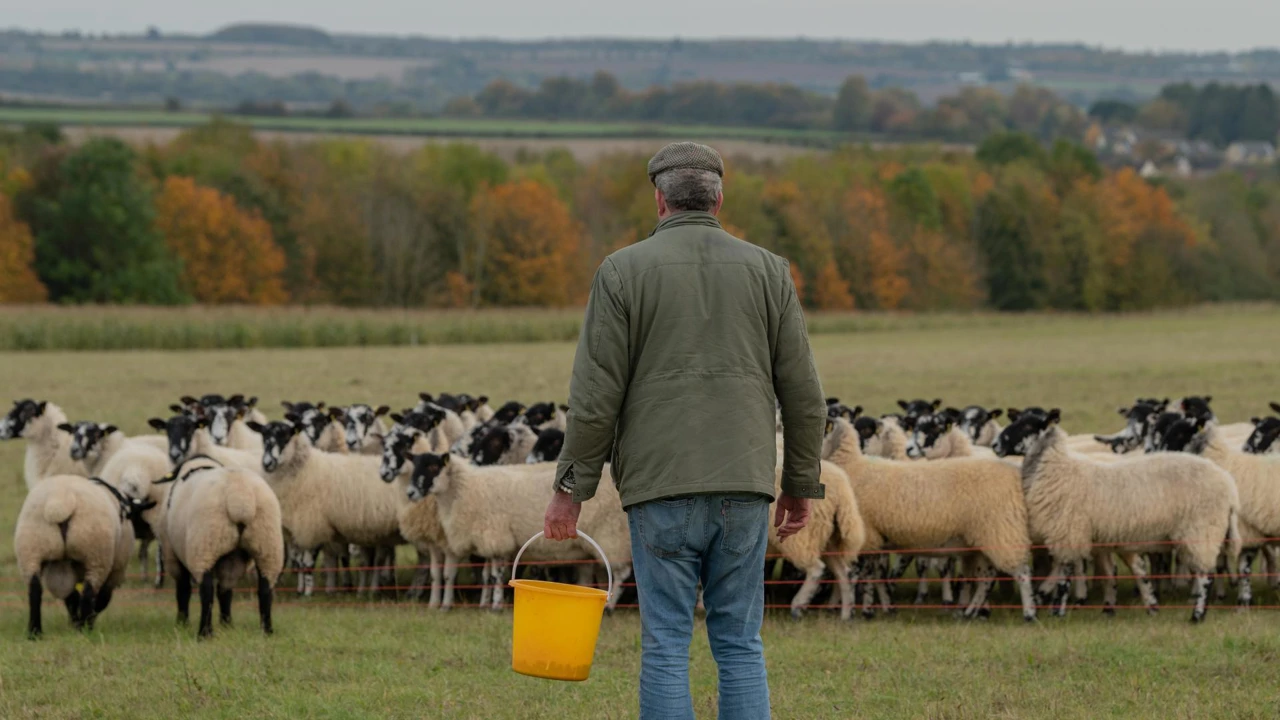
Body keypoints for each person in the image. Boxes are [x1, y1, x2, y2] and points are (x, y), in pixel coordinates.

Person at [542, 141, 827, 720]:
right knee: (740, 642)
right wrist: (799, 483)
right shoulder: (770, 271)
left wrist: (569, 491)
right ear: (718, 198)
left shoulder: (621, 272)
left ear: (659, 199)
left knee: (667, 644)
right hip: (745, 485)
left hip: (659, 489)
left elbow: (595, 397)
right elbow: (804, 394)